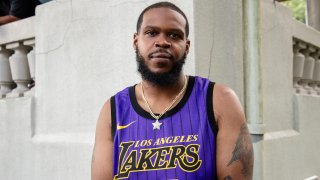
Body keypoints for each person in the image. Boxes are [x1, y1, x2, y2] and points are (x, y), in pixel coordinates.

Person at [91, 2, 253, 180]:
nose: (162, 42)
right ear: (136, 42)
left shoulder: (220, 101)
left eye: (174, 35)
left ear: (187, 46)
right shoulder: (113, 110)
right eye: (151, 33)